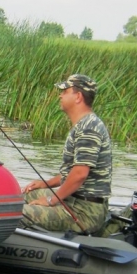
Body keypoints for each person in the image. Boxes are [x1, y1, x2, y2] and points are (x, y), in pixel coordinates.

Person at [21, 74, 112, 233]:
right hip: (73, 201)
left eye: (65, 91)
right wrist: (45, 183)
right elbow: (72, 173)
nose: (60, 95)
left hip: (84, 212)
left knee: (13, 214)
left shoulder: (89, 128)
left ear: (78, 96)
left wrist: (50, 200)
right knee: (27, 194)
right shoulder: (83, 125)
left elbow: (79, 174)